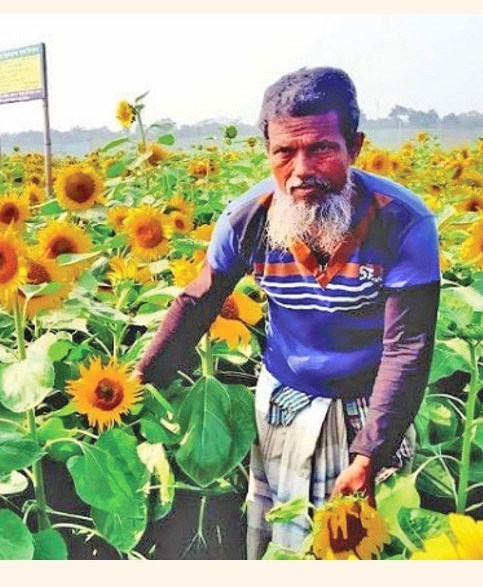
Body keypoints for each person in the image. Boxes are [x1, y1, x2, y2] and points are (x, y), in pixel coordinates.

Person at [134, 67, 440, 558]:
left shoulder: (402, 220)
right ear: (268, 152)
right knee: (283, 536)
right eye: (285, 152)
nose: (301, 170)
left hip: (369, 405)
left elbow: (407, 345)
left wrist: (369, 452)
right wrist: (139, 382)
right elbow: (198, 303)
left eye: (321, 148)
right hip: (284, 401)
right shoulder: (248, 218)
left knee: (362, 543)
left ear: (354, 147)